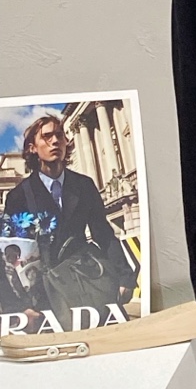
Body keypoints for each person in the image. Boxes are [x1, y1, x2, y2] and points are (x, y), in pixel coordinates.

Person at [3, 115, 136, 324]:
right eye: (47, 137)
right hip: (44, 296)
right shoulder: (18, 196)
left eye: (59, 135)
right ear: (32, 148)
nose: (55, 141)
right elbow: (8, 255)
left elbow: (103, 233)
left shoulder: (84, 185)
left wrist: (125, 277)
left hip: (89, 280)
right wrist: (17, 307)